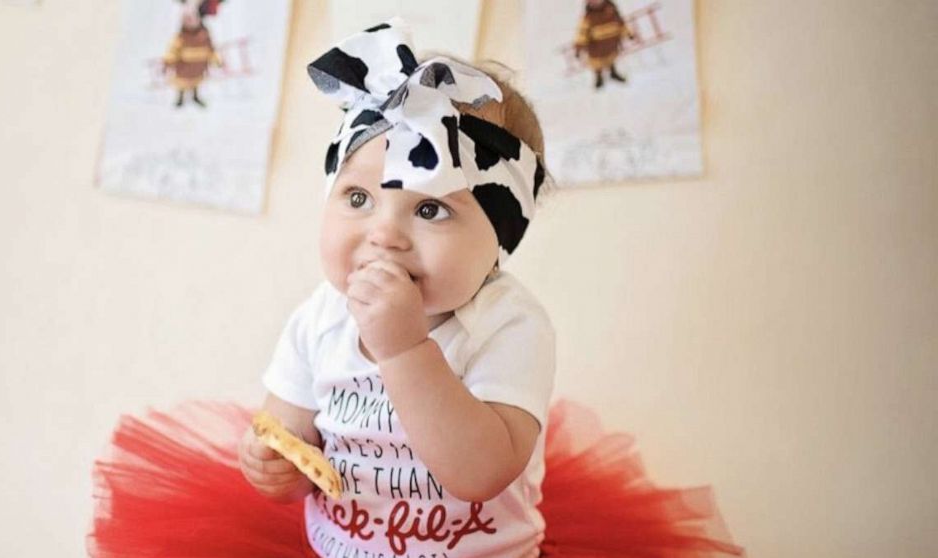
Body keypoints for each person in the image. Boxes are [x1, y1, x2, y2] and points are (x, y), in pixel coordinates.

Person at [90, 19, 744, 558]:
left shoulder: (509, 325)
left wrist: (403, 349)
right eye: (357, 197)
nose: (384, 233)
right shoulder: (321, 318)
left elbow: (480, 472)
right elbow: (287, 433)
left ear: (501, 237)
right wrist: (273, 466)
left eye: (431, 209)